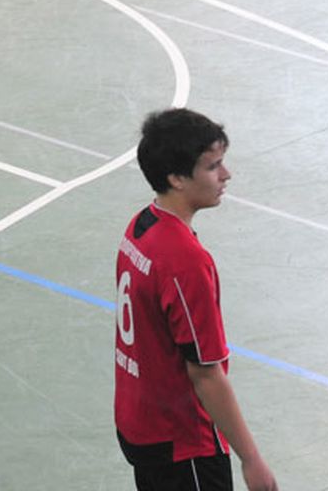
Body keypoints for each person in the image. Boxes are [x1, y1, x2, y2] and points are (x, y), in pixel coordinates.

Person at [114, 108, 278, 491]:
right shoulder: (184, 260)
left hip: (139, 420)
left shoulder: (141, 225)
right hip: (182, 441)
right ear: (176, 178)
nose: (226, 175)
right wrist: (251, 459)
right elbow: (205, 373)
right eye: (212, 166)